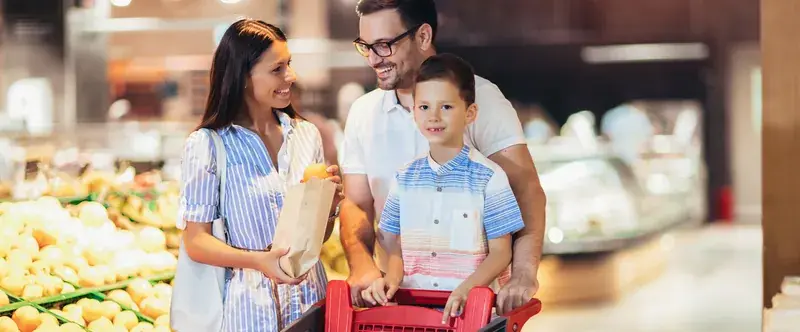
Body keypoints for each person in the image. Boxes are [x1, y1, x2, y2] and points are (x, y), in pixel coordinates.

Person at [340, 0, 547, 315]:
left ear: (423, 36)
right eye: (365, 46)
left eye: (383, 46)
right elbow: (357, 203)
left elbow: (526, 189)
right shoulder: (364, 113)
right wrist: (362, 266)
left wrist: (523, 273)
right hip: (404, 303)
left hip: (476, 305)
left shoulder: (482, 98)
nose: (372, 59)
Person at [178, 19, 341, 331]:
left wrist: (327, 209)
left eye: (289, 64)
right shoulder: (208, 145)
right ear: (242, 76)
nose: (290, 76)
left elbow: (313, 239)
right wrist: (259, 261)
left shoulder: (307, 135)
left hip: (311, 305)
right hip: (249, 313)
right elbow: (196, 241)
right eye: (276, 69)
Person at [362, 54, 525, 323]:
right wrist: (391, 277)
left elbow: (501, 252)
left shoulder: (490, 177)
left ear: (470, 113)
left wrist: (467, 289)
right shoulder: (403, 178)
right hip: (414, 319)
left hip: (473, 318)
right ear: (414, 112)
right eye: (424, 107)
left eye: (446, 107)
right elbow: (390, 242)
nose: (434, 116)